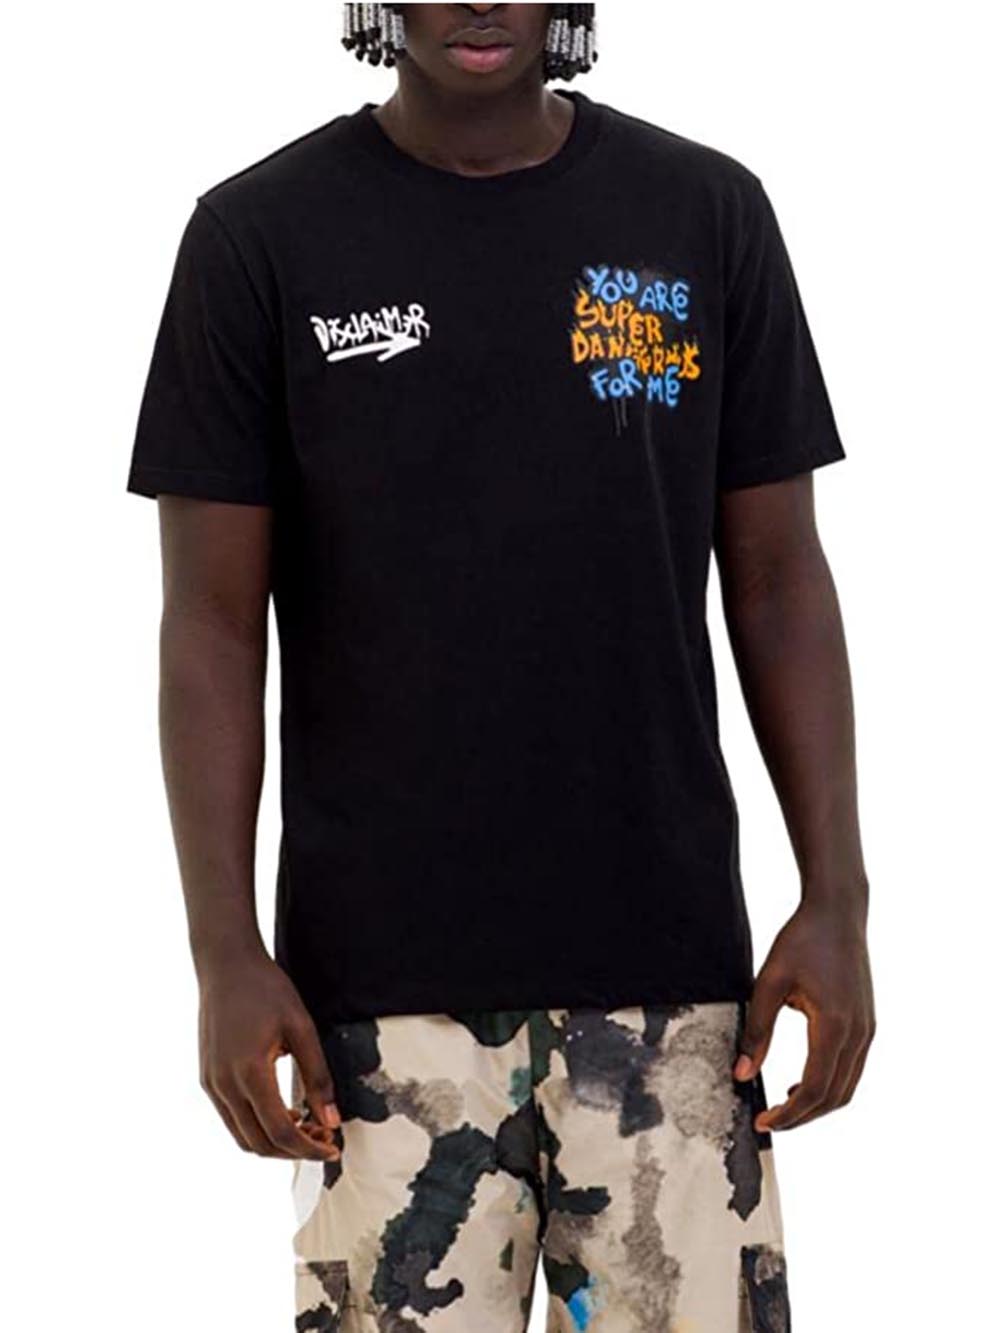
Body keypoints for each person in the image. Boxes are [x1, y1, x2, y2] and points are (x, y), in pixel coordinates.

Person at [127, 5, 874, 1329]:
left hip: (673, 999)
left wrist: (838, 898)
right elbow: (211, 625)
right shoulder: (260, 238)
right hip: (378, 1015)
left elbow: (778, 578)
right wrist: (223, 951)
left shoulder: (703, 216)